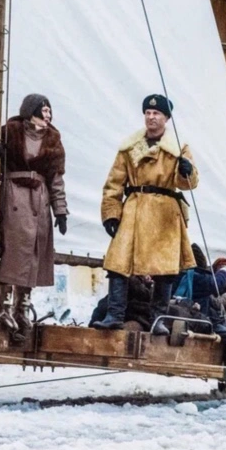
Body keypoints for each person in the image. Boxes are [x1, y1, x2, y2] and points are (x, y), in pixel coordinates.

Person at [94, 94, 198, 334]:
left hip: (165, 212)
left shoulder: (179, 148)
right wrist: (111, 212)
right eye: (148, 113)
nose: (151, 117)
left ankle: (157, 320)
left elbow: (189, 184)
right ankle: (114, 315)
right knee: (118, 263)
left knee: (165, 270)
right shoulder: (129, 147)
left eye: (157, 114)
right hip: (134, 208)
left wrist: (187, 171)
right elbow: (114, 183)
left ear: (166, 118)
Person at [0, 93, 68, 340]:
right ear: (31, 111)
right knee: (14, 251)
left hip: (40, 200)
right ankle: (2, 305)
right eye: (43, 110)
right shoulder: (10, 131)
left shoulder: (53, 139)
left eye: (49, 110)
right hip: (14, 197)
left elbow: (56, 179)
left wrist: (60, 211)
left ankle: (22, 306)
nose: (48, 115)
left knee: (34, 254)